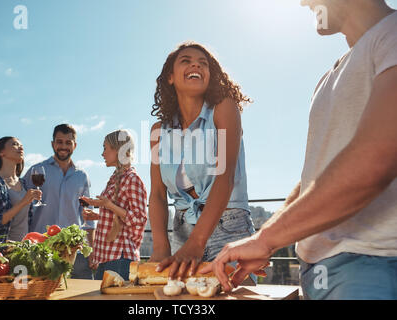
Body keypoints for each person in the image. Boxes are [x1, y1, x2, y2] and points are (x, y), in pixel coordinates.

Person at [201, 0, 397, 300]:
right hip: (317, 270)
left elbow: (377, 157)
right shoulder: (328, 77)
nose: (303, 1)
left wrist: (267, 239)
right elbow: (315, 178)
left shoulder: (391, 34)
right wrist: (265, 239)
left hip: (374, 264)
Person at [148, 41, 260, 282]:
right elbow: (157, 193)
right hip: (182, 233)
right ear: (170, 77)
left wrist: (197, 243)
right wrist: (160, 246)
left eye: (203, 63)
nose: (196, 64)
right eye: (186, 61)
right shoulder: (158, 131)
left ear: (210, 75)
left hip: (229, 230)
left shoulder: (224, 109)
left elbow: (225, 176)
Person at [23, 124, 96, 279]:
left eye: (68, 142)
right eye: (59, 142)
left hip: (75, 248)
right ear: (52, 144)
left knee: (81, 294)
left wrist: (92, 250)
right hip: (42, 247)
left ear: (75, 145)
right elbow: (22, 206)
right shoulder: (36, 171)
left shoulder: (82, 176)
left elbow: (87, 217)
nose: (64, 146)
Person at [80, 130, 148, 281]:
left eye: (105, 148)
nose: (102, 154)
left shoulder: (132, 179)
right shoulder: (115, 179)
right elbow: (119, 216)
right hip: (107, 255)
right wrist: (98, 216)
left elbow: (139, 219)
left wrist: (108, 205)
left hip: (121, 258)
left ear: (118, 150)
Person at [0, 136, 42, 242]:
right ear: (1, 152)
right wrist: (23, 202)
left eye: (21, 146)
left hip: (26, 248)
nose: (21, 148)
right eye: (15, 144)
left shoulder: (24, 183)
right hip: (4, 249)